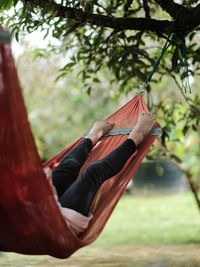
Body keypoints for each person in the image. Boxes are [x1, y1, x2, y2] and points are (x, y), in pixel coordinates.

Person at [44, 111, 155, 236]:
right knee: (93, 171)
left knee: (67, 167)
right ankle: (137, 136)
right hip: (61, 224)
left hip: (46, 209)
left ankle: (93, 136)